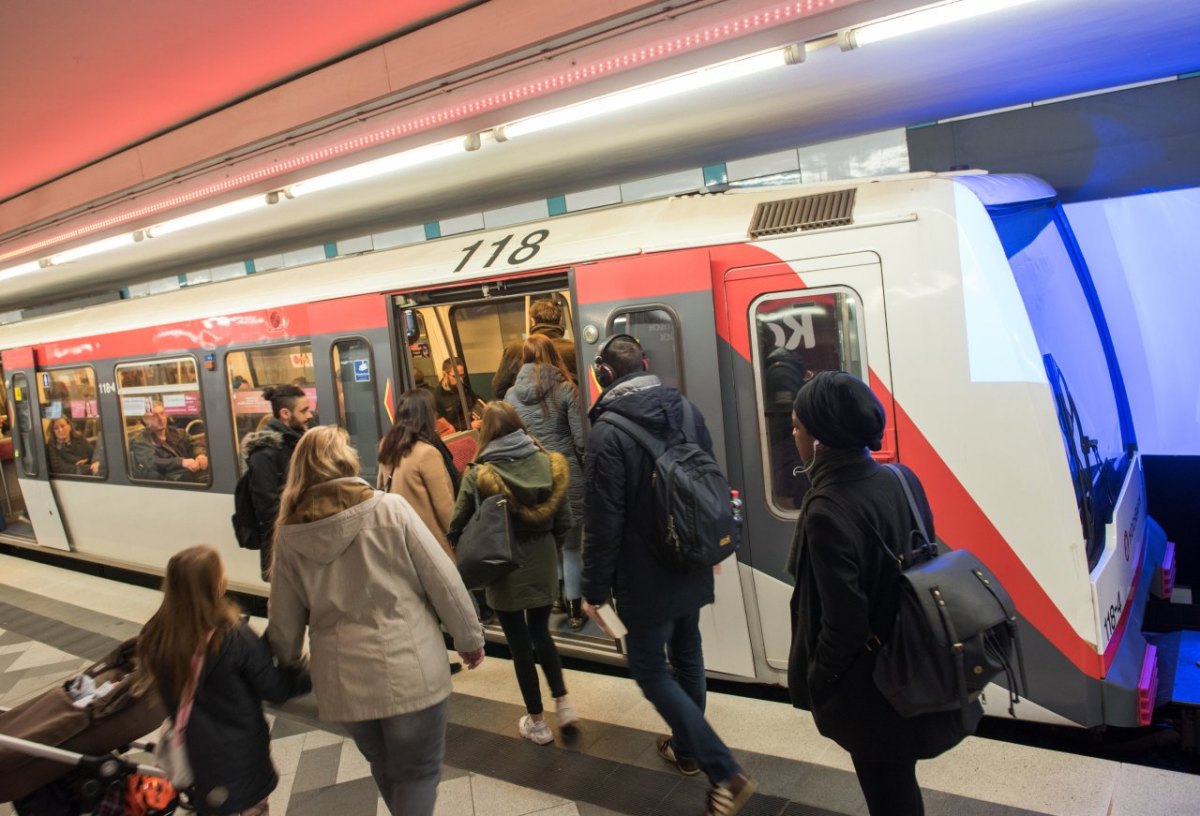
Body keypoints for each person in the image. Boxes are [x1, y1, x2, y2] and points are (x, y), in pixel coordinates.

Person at [786, 371, 981, 816]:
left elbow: (844, 622)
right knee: (897, 781)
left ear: (819, 441)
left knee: (887, 793)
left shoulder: (826, 509)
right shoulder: (900, 478)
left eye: (796, 426)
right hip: (911, 659)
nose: (792, 434)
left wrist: (818, 678)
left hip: (872, 684)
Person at [267, 426, 485, 816]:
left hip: (344, 685)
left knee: (384, 767)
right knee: (417, 774)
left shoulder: (289, 535)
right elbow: (444, 582)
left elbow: (283, 625)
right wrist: (469, 637)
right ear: (347, 461)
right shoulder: (389, 508)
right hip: (410, 670)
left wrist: (286, 661)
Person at [581, 334, 756, 816]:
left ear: (605, 377)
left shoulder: (607, 434)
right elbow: (708, 479)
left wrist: (593, 591)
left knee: (652, 670)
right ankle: (685, 748)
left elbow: (603, 522)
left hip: (644, 576)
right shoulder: (685, 410)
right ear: (645, 365)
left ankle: (723, 769)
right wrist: (712, 545)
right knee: (689, 651)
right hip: (692, 557)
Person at [137, 545, 311, 816]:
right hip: (242, 758)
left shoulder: (156, 637)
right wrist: (311, 674)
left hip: (197, 758)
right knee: (253, 808)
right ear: (215, 583)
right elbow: (274, 688)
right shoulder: (233, 636)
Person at [447, 401, 578, 745]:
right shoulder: (550, 464)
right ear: (520, 426)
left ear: (486, 433)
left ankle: (538, 723)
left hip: (502, 566)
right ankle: (563, 705)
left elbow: (456, 524)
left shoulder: (478, 474)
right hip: (543, 559)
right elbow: (564, 521)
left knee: (520, 645)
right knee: (542, 633)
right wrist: (547, 548)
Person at [504, 334, 586, 630]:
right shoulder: (567, 390)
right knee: (572, 546)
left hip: (532, 476)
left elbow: (512, 439)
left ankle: (557, 599)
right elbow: (580, 440)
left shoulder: (511, 396)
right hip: (568, 476)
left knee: (551, 541)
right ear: (554, 355)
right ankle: (576, 609)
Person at [377, 389, 457, 562]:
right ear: (426, 415)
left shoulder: (387, 446)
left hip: (401, 540)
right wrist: (458, 539)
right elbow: (444, 507)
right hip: (432, 543)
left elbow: (381, 487)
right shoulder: (427, 453)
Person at [240, 385, 311, 580]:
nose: (309, 415)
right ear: (285, 413)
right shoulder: (264, 453)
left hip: (301, 542)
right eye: (304, 410)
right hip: (284, 549)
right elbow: (268, 508)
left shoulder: (295, 443)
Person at [492, 298, 577, 399]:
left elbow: (498, 390)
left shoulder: (515, 350)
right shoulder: (574, 350)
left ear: (532, 321)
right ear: (560, 321)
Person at [129, 400, 209, 482]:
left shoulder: (179, 433)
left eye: (162, 413)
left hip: (188, 475)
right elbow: (152, 461)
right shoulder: (140, 441)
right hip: (166, 482)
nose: (160, 418)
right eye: (154, 416)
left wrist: (200, 455)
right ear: (146, 420)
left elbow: (195, 445)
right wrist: (181, 462)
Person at [433, 357, 481, 433]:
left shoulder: (465, 389)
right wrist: (467, 426)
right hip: (457, 436)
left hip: (474, 429)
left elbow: (475, 403)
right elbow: (444, 429)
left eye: (462, 375)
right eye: (455, 376)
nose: (460, 380)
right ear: (445, 374)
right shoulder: (437, 396)